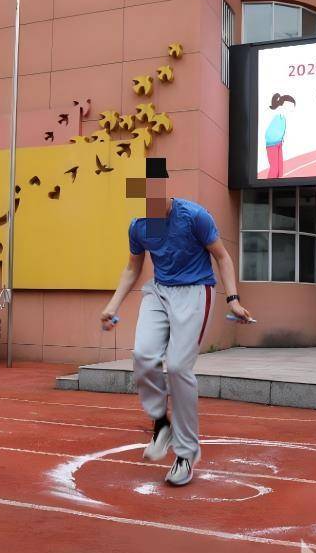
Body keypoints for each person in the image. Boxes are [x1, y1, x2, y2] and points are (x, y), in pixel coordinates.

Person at [100, 158, 253, 487]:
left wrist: (233, 299)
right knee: (143, 355)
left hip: (195, 290)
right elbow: (133, 268)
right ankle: (161, 423)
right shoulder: (140, 226)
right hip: (159, 291)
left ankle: (185, 453)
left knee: (180, 368)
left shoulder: (194, 216)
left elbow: (222, 257)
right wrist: (113, 305)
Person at [264, 93, 295, 178]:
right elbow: (269, 132)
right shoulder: (274, 114)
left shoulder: (283, 117)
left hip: (279, 143)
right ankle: (269, 184)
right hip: (272, 144)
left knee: (280, 169)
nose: (290, 110)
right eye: (290, 107)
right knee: (275, 169)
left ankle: (277, 183)